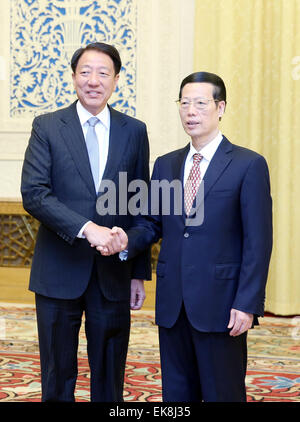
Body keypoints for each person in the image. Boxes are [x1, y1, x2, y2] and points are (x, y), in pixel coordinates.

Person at [99, 71, 273, 402]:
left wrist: (247, 303)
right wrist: (126, 240)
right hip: (173, 302)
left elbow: (258, 241)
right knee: (177, 396)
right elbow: (151, 224)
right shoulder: (166, 165)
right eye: (184, 103)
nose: (190, 111)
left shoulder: (248, 165)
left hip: (223, 305)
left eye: (200, 103)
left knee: (223, 392)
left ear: (220, 108)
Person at [21, 42, 151, 402]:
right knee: (57, 375)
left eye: (103, 73)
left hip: (112, 274)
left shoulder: (134, 131)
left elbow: (138, 205)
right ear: (74, 76)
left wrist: (137, 269)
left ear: (116, 80)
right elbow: (35, 192)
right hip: (59, 271)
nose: (93, 81)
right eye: (85, 72)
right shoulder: (47, 126)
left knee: (110, 379)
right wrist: (87, 228)